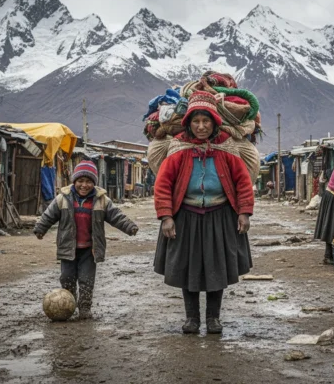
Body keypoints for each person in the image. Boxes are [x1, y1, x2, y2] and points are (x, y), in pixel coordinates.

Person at [153, 91, 255, 335]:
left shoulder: (227, 149)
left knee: (216, 269)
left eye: (206, 121)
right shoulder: (178, 148)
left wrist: (244, 213)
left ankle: (213, 319)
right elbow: (163, 185)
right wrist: (166, 216)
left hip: (219, 216)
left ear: (214, 123)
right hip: (185, 216)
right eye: (196, 122)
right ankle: (192, 319)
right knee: (187, 268)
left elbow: (242, 182)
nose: (201, 126)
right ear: (188, 122)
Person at [34, 161, 139, 319]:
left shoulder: (102, 200)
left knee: (86, 280)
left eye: (89, 181)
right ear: (74, 181)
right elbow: (49, 216)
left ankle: (84, 308)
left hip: (90, 249)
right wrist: (40, 228)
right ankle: (67, 306)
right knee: (67, 278)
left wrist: (129, 227)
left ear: (94, 183)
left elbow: (116, 216)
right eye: (80, 181)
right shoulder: (63, 198)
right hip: (68, 247)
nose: (84, 185)